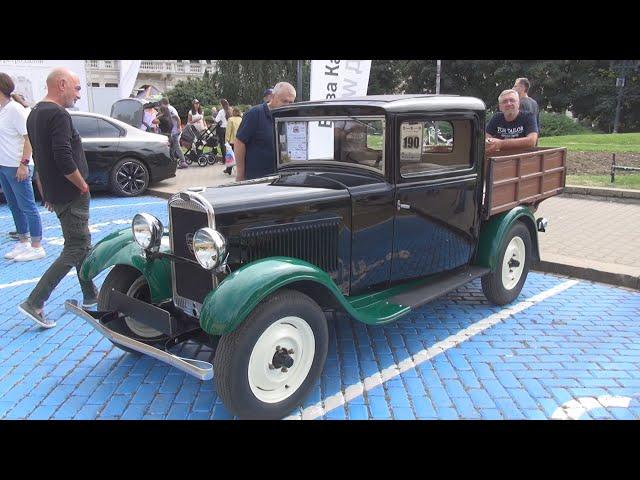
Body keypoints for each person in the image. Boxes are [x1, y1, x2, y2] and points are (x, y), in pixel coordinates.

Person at [18, 67, 97, 329]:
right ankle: (35, 302)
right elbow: (62, 157)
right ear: (61, 85)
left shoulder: (35, 114)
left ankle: (90, 295)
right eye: (76, 88)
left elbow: (41, 157)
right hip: (71, 194)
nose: (78, 94)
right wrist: (82, 185)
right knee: (76, 246)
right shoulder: (58, 114)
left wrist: (46, 191)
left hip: (58, 193)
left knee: (81, 243)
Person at [0, 73, 45, 261]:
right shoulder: (3, 110)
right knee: (14, 206)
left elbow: (29, 138)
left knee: (27, 206)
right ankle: (24, 241)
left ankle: (36, 245)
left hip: (18, 166)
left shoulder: (14, 110)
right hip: (4, 165)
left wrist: (23, 164)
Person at [235, 82, 296, 181]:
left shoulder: (289, 117)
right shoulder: (255, 114)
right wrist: (240, 174)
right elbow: (239, 142)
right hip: (257, 179)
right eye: (284, 101)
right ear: (273, 97)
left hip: (281, 178)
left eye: (291, 102)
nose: (287, 105)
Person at [485, 89, 538, 155]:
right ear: (500, 107)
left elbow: (531, 141)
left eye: (512, 100)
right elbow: (486, 137)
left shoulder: (528, 116)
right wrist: (489, 142)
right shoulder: (496, 118)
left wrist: (501, 143)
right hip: (501, 158)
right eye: (504, 101)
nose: (509, 104)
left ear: (518, 104)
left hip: (524, 158)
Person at [160, 97, 188, 169]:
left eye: (161, 104)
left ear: (163, 103)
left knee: (176, 146)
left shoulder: (169, 109)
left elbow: (177, 118)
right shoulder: (170, 108)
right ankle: (172, 162)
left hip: (175, 131)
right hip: (173, 130)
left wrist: (178, 127)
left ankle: (183, 161)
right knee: (172, 147)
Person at [224, 107, 242, 175]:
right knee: (238, 156)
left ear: (233, 112)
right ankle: (233, 169)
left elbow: (228, 131)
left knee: (230, 155)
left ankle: (229, 169)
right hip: (240, 140)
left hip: (232, 140)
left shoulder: (230, 119)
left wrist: (226, 141)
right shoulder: (241, 119)